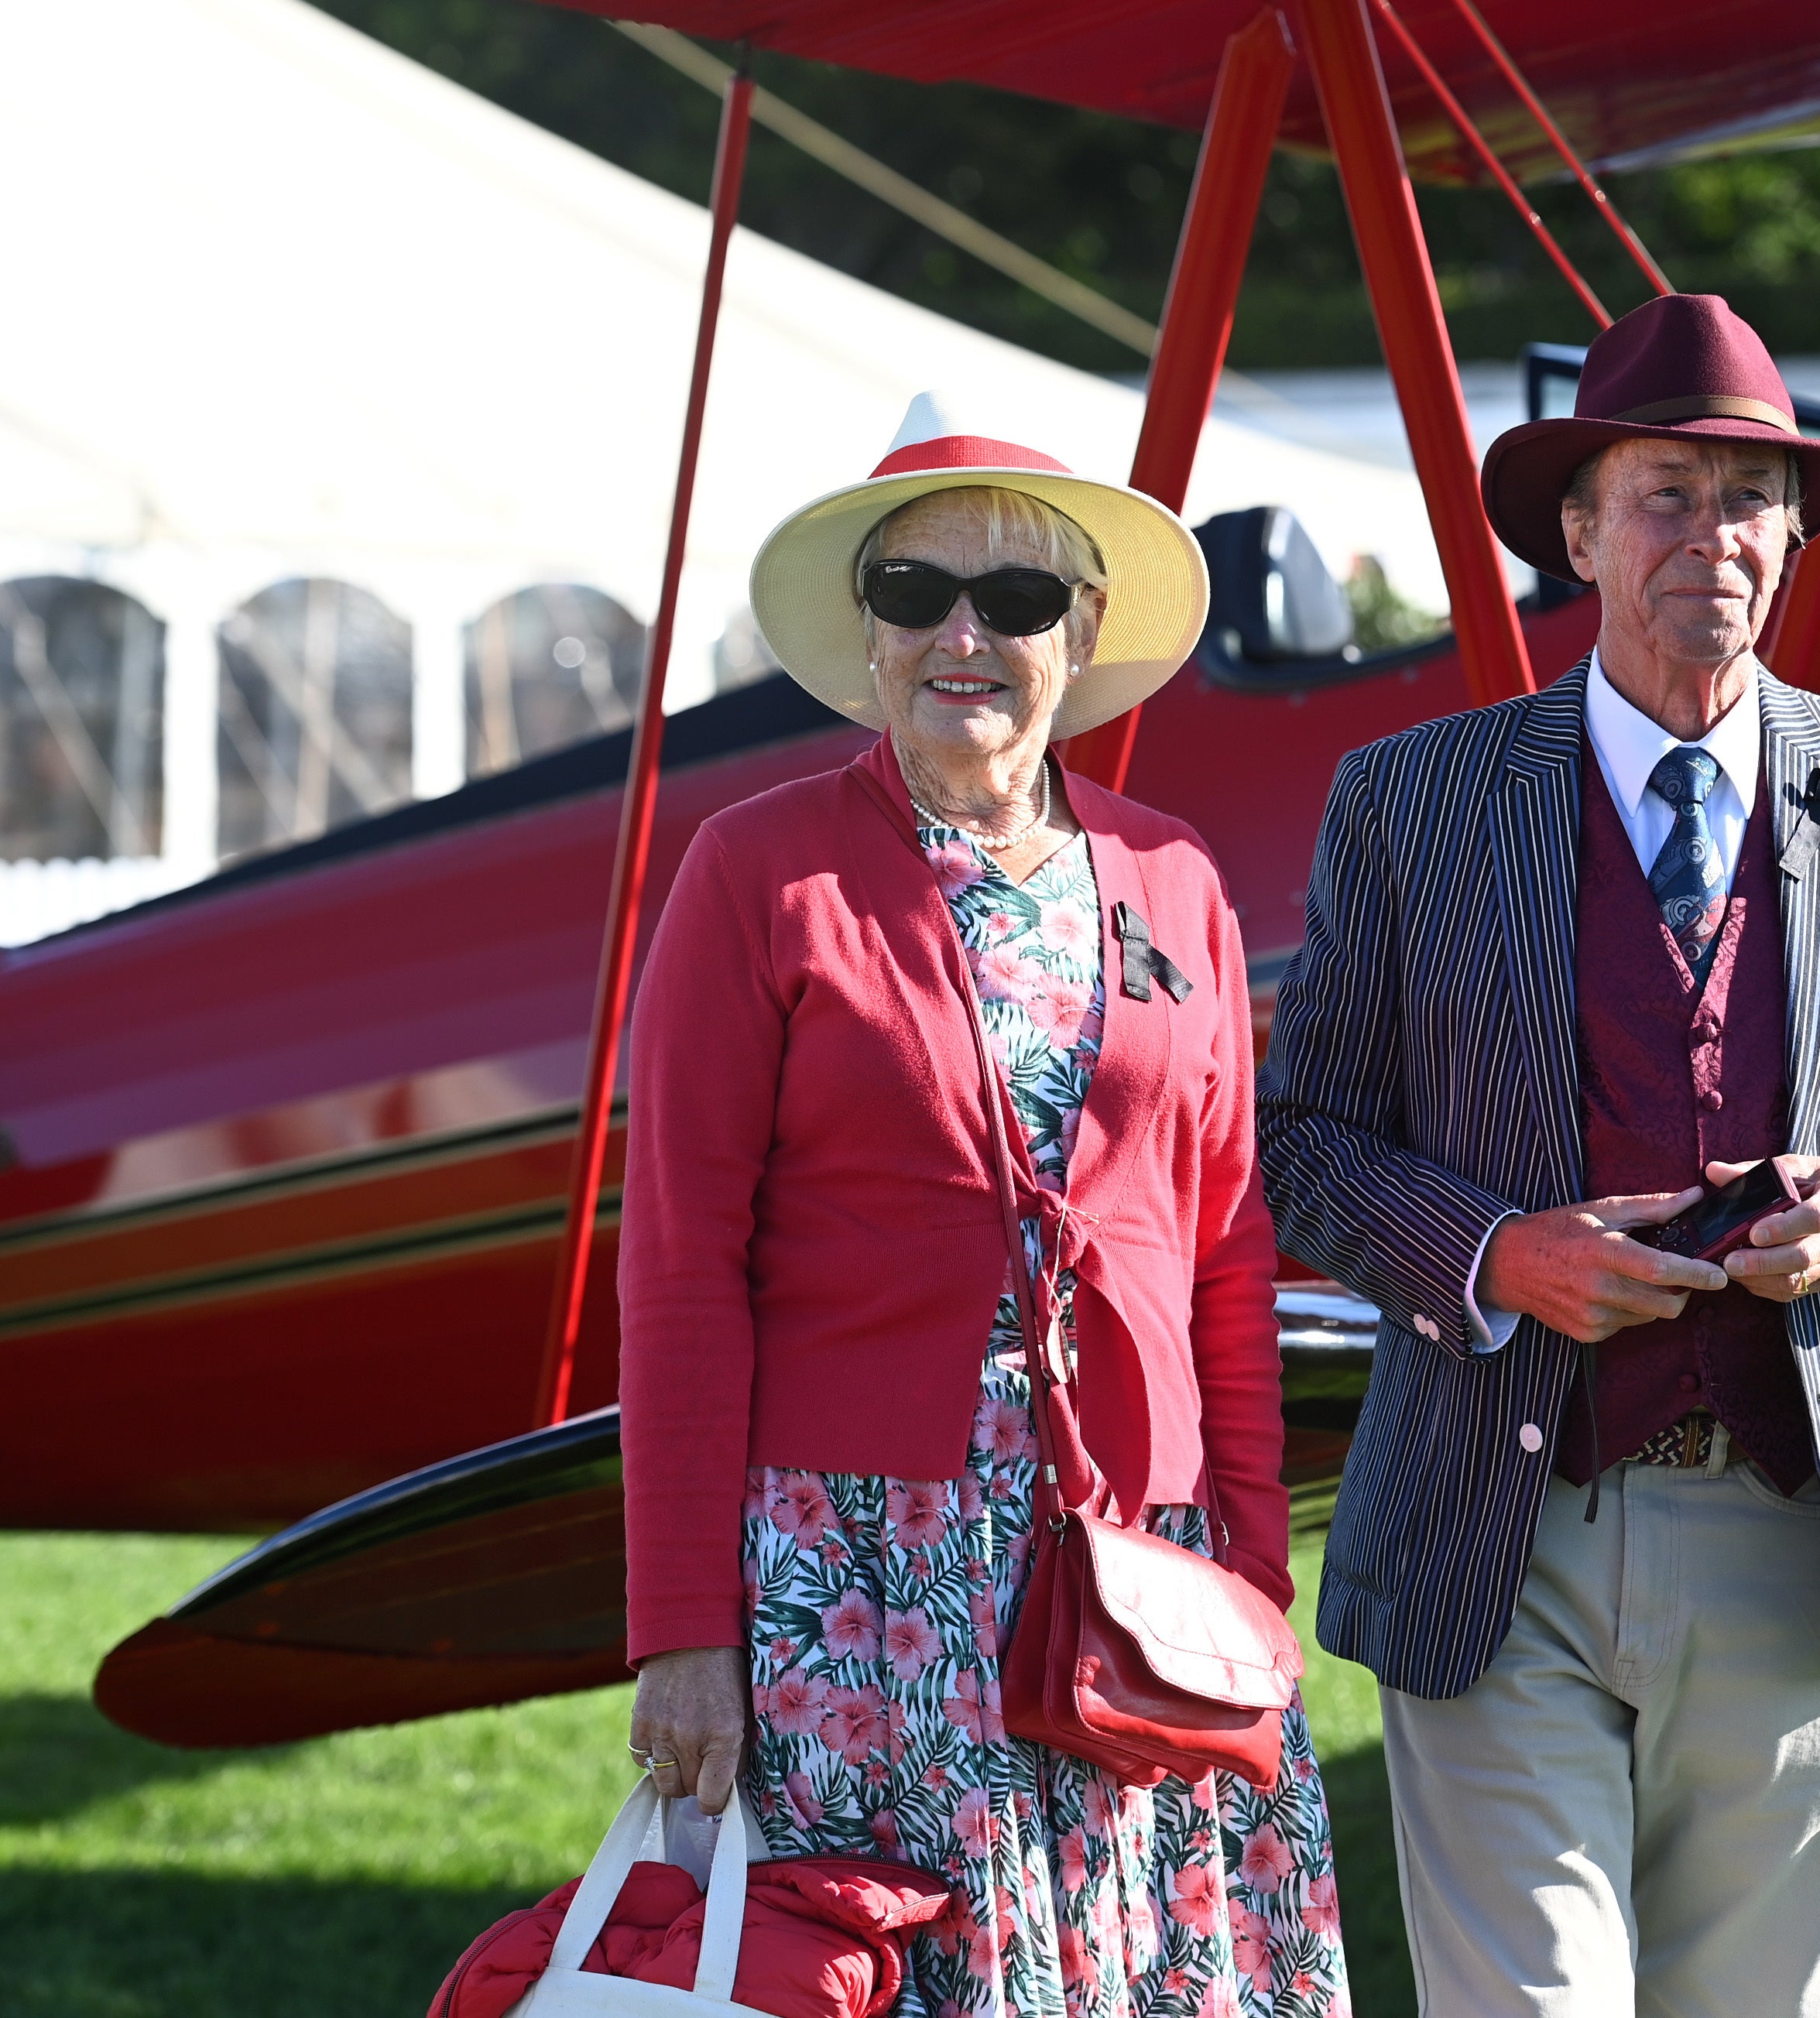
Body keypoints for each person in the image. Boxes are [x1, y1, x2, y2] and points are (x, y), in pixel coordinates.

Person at [1256, 294, 1820, 2016]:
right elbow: (1306, 1136)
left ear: (1791, 535)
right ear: (1579, 529)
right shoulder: (1408, 801)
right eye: (1667, 494)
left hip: (1796, 1532)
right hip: (1502, 1516)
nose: (1716, 538)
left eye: (1751, 499)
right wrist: (1496, 1254)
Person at [619, 403, 1350, 2018]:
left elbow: (1224, 1252)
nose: (967, 633)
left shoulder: (1176, 878)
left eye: (1017, 602)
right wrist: (682, 1625)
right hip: (860, 1564)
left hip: (1139, 1558)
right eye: (917, 590)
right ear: (867, 632)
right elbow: (680, 1271)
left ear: (1080, 636)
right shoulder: (758, 870)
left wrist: (1250, 1565)